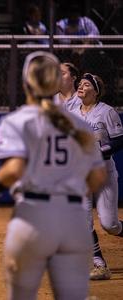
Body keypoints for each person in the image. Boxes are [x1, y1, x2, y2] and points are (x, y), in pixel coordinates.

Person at [0, 51, 107, 299]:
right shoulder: (80, 124)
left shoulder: (18, 121)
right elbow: (96, 178)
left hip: (32, 217)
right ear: (54, 83)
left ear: (25, 82)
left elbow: (14, 169)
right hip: (72, 222)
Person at [69, 73, 123, 280]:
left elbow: (119, 140)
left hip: (104, 172)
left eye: (86, 84)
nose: (81, 87)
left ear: (96, 90)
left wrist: (101, 151)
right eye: (79, 84)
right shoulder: (71, 112)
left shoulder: (106, 112)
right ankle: (99, 264)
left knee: (110, 225)